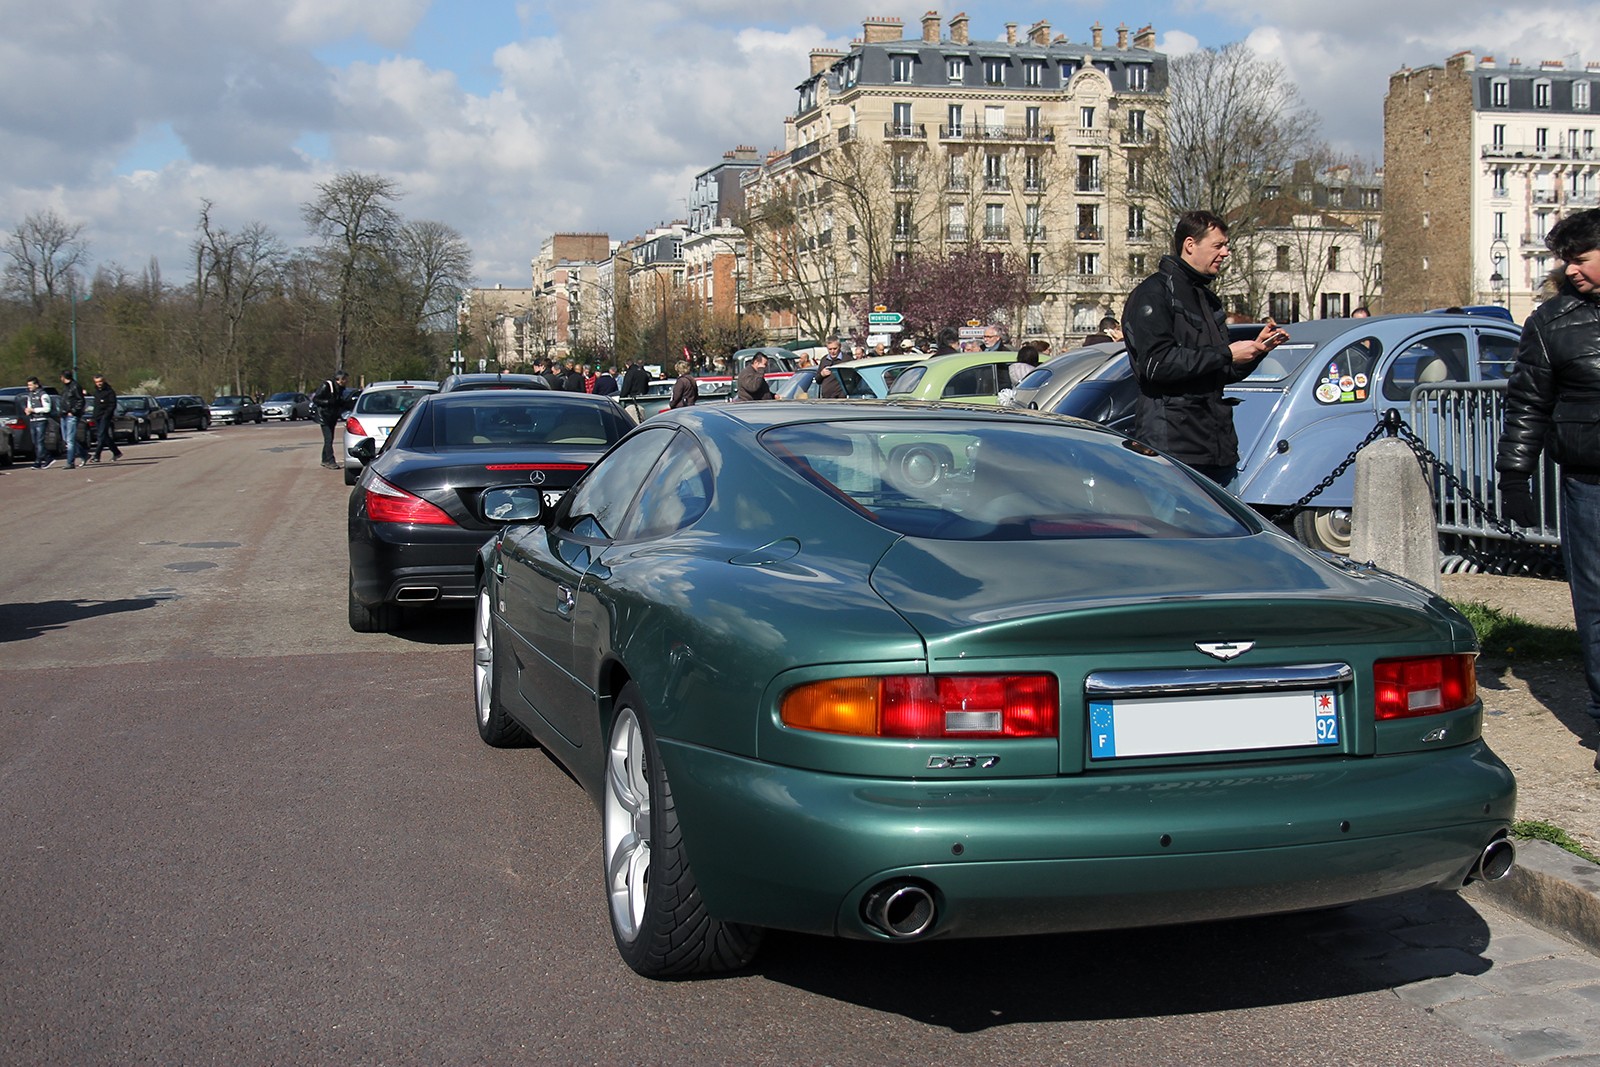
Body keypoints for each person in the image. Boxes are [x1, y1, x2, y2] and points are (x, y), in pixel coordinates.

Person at [1496, 207, 1600, 733]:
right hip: (1589, 483)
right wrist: (1514, 475)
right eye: (1565, 261)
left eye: (1580, 259)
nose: (1571, 270)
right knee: (1597, 603)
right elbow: (1528, 405)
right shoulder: (1552, 322)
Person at [1122, 209, 1289, 486]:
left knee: (1229, 528)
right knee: (1174, 529)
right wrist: (1226, 353)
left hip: (1217, 447)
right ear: (1190, 245)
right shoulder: (1155, 292)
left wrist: (1255, 352)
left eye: (1226, 245)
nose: (1226, 253)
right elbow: (1156, 365)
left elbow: (1219, 373)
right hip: (1173, 449)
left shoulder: (1206, 298)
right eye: (1218, 245)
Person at [311, 370, 350, 469]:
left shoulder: (340, 389)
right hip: (324, 416)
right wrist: (328, 402)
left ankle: (324, 459)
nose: (346, 382)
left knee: (330, 439)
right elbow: (316, 399)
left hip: (332, 416)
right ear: (340, 379)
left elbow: (338, 401)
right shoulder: (327, 385)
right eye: (345, 380)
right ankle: (330, 461)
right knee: (328, 439)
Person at [88, 373, 123, 464]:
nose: (99, 383)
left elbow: (112, 405)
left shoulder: (109, 392)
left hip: (105, 417)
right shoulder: (96, 392)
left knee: (101, 435)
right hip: (97, 416)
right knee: (105, 436)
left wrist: (107, 415)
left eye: (100, 381)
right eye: (97, 382)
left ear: (103, 381)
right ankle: (116, 452)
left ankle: (97, 455)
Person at [24, 377, 55, 469]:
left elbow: (47, 408)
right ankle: (48, 457)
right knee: (35, 442)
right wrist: (28, 410)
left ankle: (38, 461)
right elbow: (29, 406)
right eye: (28, 385)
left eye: (30, 385)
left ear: (36, 385)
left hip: (41, 420)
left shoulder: (43, 395)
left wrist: (34, 410)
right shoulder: (30, 395)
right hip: (33, 420)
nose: (29, 386)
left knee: (40, 441)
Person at [59, 368, 85, 470]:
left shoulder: (75, 386)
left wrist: (73, 411)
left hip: (71, 416)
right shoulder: (65, 388)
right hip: (64, 415)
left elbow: (80, 401)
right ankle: (84, 454)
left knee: (70, 440)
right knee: (67, 439)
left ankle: (70, 462)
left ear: (63, 377)